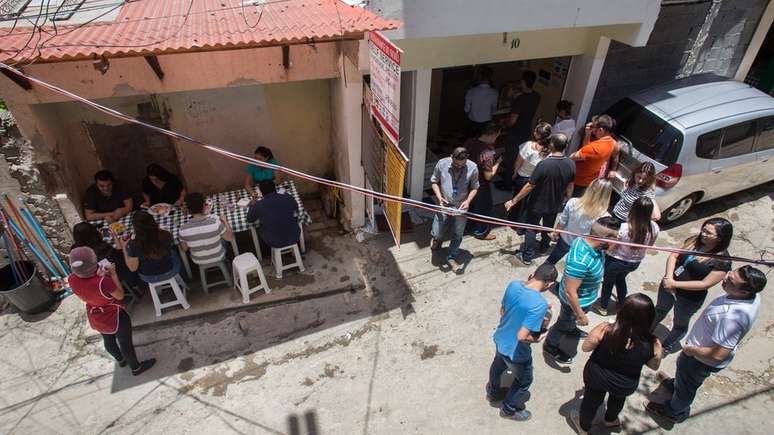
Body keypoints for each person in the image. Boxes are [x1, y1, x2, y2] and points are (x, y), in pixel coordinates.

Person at [646, 266, 767, 423]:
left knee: (687, 388)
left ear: (744, 292)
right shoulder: (751, 296)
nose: (725, 279)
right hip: (697, 353)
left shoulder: (733, 318)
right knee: (684, 379)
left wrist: (691, 350)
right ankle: (674, 385)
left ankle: (673, 411)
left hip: (699, 360)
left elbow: (718, 354)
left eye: (731, 281)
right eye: (730, 274)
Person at [569, 294, 662, 434]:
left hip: (596, 376)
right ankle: (611, 420)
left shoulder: (605, 329)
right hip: (624, 383)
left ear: (622, 311)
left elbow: (585, 347)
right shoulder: (653, 343)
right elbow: (653, 366)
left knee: (591, 402)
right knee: (617, 401)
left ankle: (583, 426)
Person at [543, 216, 621, 364]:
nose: (619, 242)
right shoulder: (580, 260)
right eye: (617, 239)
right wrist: (580, 315)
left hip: (586, 297)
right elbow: (570, 292)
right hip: (574, 303)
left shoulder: (592, 243)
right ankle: (550, 345)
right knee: (562, 324)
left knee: (568, 322)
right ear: (606, 239)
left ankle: (571, 329)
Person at [67, 246, 156, 376]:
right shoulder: (103, 282)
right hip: (114, 314)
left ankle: (120, 360)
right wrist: (113, 275)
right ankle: (136, 368)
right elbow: (120, 296)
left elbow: (86, 288)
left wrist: (95, 275)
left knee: (108, 339)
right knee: (125, 343)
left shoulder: (72, 279)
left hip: (95, 314)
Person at [487, 263, 558, 422]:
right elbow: (522, 337)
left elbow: (503, 311)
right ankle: (509, 409)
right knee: (524, 380)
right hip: (516, 351)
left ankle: (493, 392)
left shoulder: (513, 285)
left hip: (500, 338)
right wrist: (538, 338)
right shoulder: (539, 304)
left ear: (533, 274)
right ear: (550, 284)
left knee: (498, 365)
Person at [652, 218, 733, 356]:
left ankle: (666, 346)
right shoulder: (694, 241)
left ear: (720, 238)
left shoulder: (722, 261)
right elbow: (674, 256)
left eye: (708, 233)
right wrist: (669, 278)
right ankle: (645, 331)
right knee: (659, 309)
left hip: (689, 297)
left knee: (679, 323)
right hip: (668, 284)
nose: (703, 234)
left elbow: (704, 284)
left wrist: (675, 284)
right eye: (703, 229)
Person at [505, 133, 575, 265]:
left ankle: (527, 256)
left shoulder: (544, 164)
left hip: (537, 203)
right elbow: (570, 185)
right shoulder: (571, 164)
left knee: (531, 228)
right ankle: (544, 247)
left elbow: (529, 185)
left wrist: (513, 201)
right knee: (548, 226)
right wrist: (568, 199)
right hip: (555, 203)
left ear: (552, 145)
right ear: (565, 146)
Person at [598, 197, 659, 315]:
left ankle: (603, 307)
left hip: (616, 261)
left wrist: (604, 251)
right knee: (621, 279)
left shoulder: (625, 228)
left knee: (608, 283)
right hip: (634, 262)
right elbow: (650, 245)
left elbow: (613, 247)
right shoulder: (654, 228)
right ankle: (622, 303)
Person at [429, 147, 479, 273]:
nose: (459, 167)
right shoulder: (442, 163)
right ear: (451, 156)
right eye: (456, 164)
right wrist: (440, 197)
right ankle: (436, 240)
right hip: (444, 204)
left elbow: (475, 187)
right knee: (437, 231)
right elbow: (434, 181)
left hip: (461, 207)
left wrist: (467, 201)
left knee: (458, 234)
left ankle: (451, 256)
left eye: (462, 165)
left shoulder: (473, 167)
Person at [545, 178, 612, 265]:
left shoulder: (573, 202)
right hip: (583, 248)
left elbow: (562, 221)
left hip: (565, 239)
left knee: (551, 260)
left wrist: (555, 232)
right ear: (607, 195)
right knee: (574, 271)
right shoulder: (605, 216)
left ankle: (539, 275)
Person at [119, 211, 182, 284]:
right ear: (153, 221)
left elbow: (133, 268)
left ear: (136, 228)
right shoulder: (165, 234)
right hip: (170, 271)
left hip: (149, 277)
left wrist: (124, 248)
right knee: (173, 251)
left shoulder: (134, 244)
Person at [508, 122, 552, 227]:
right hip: (537, 181)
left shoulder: (528, 145)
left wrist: (514, 173)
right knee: (529, 202)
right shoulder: (550, 151)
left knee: (517, 200)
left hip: (522, 178)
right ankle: (523, 223)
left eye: (535, 131)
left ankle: (513, 221)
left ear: (537, 134)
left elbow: (518, 162)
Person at [71, 222, 138, 290]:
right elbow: (121, 256)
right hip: (114, 276)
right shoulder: (103, 249)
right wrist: (116, 238)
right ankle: (134, 285)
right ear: (94, 233)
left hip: (94, 280)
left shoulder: (74, 250)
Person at [465, 123, 502, 241]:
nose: (497, 139)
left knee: (470, 205)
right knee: (484, 209)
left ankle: (468, 227)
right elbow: (488, 176)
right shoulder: (487, 152)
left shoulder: (470, 142)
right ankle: (482, 232)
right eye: (497, 136)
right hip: (481, 185)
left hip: (468, 180)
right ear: (492, 135)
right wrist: (497, 163)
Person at [179, 193, 234, 264]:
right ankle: (227, 262)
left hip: (197, 260)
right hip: (218, 256)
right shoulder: (215, 223)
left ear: (188, 209)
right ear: (204, 206)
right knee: (223, 238)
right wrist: (225, 221)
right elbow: (231, 238)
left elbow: (184, 249)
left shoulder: (182, 230)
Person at [570, 115, 616, 197]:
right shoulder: (611, 142)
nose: (593, 130)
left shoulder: (594, 148)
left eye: (595, 128)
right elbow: (586, 149)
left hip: (578, 180)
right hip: (588, 180)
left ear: (601, 130)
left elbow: (572, 157)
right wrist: (588, 135)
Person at [246, 180, 300, 250]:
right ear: (275, 189)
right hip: (294, 236)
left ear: (261, 193)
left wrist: (252, 205)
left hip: (274, 241)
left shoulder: (259, 205)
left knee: (259, 228)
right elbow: (296, 207)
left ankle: (262, 252)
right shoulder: (287, 197)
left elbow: (249, 219)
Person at [509, 71, 542, 146]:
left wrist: (504, 123)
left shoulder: (520, 99)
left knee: (511, 154)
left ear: (523, 82)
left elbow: (512, 122)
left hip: (515, 132)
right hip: (527, 130)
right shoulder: (537, 96)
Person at [464, 67, 499, 137]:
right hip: (486, 123)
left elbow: (466, 109)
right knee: (482, 143)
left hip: (473, 122)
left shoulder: (471, 91)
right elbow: (494, 110)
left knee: (471, 141)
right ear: (491, 78)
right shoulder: (494, 92)